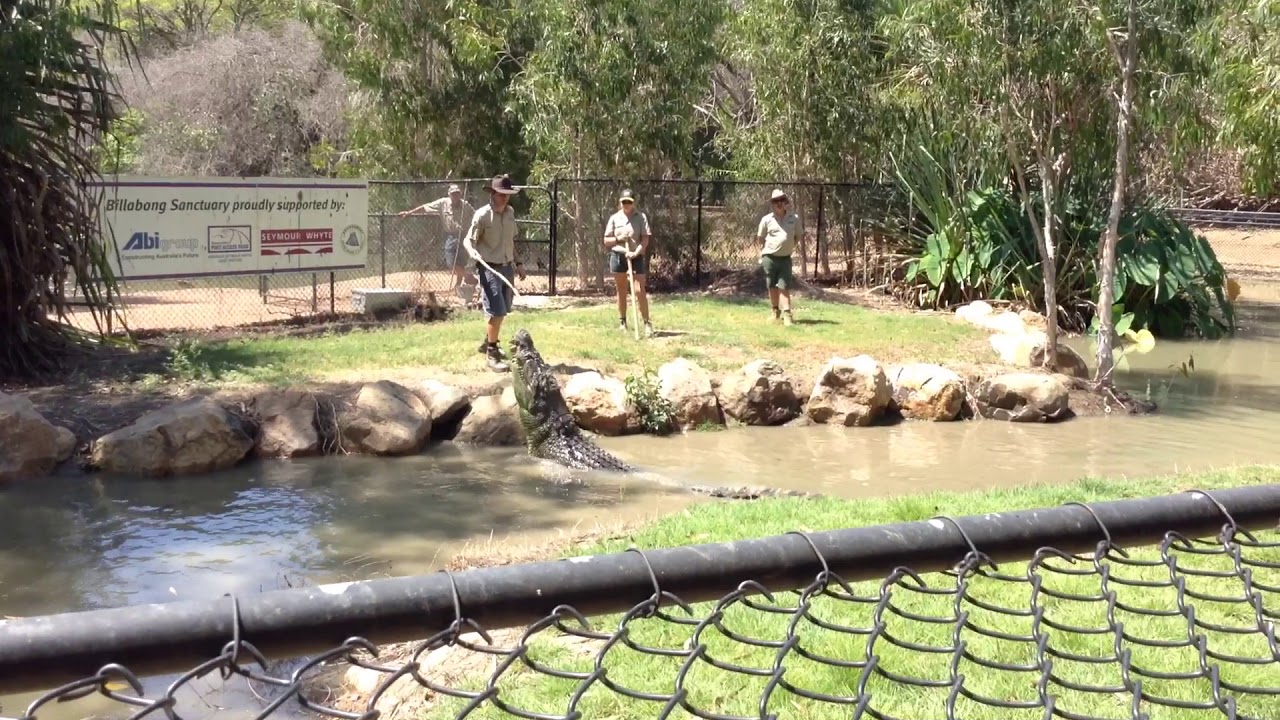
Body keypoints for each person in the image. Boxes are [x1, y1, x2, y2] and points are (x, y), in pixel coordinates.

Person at [463, 174, 526, 372]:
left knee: (504, 309)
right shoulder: (482, 215)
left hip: (507, 267)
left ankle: (488, 341)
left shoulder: (510, 213)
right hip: (489, 268)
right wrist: (472, 252)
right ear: (493, 193)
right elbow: (468, 240)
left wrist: (518, 263)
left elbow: (510, 241)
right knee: (496, 310)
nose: (505, 197)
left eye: (507, 194)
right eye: (501, 194)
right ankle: (492, 354)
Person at [398, 183, 476, 292]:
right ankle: (468, 277)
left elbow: (476, 216)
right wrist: (409, 213)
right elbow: (425, 207)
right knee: (451, 263)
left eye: (457, 193)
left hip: (464, 236)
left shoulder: (465, 205)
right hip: (451, 236)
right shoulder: (442, 203)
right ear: (449, 194)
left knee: (461, 263)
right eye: (453, 194)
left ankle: (458, 286)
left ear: (460, 194)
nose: (455, 196)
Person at [602, 188, 654, 337]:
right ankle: (622, 322)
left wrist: (635, 252)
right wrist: (618, 239)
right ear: (620, 202)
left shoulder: (641, 217)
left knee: (639, 290)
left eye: (629, 202)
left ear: (633, 203)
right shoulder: (614, 218)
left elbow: (645, 240)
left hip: (635, 256)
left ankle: (646, 323)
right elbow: (606, 240)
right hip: (618, 256)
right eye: (624, 202)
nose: (626, 204)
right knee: (622, 290)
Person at [757, 188, 800, 326]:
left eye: (781, 200)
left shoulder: (794, 219)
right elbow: (760, 238)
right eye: (776, 201)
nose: (779, 203)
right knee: (771, 285)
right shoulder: (766, 220)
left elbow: (798, 236)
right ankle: (775, 311)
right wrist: (764, 252)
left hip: (785, 259)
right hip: (769, 258)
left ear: (785, 201)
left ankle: (787, 314)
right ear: (772, 203)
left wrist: (788, 246)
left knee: (784, 286)